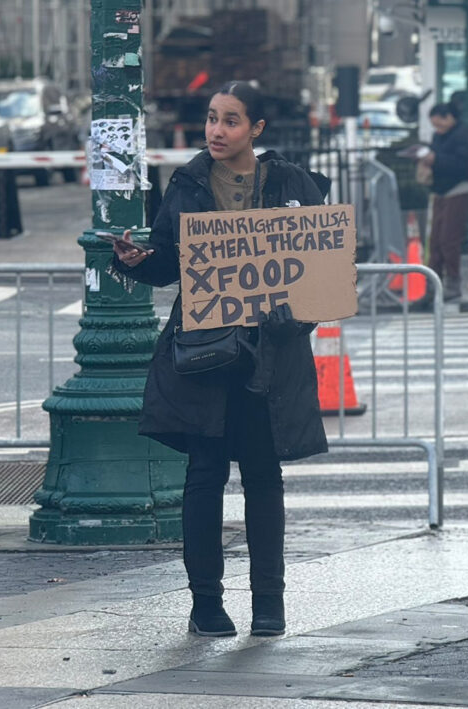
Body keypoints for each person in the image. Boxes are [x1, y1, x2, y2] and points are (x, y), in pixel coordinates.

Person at [110, 81, 327, 638]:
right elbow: (165, 263)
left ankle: (268, 605)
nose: (216, 130)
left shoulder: (291, 182)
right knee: (204, 475)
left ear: (256, 129)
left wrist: (299, 315)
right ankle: (206, 603)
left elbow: (324, 263)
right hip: (205, 350)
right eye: (211, 118)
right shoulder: (188, 180)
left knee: (262, 475)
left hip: (270, 354)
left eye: (230, 120)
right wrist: (138, 260)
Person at [420, 102, 468, 300]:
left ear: (449, 117)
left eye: (440, 124)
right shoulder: (439, 136)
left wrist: (436, 160)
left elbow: (465, 164)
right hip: (440, 191)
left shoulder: (464, 135)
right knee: (434, 240)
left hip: (457, 189)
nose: (438, 129)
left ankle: (452, 283)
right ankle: (432, 283)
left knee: (448, 239)